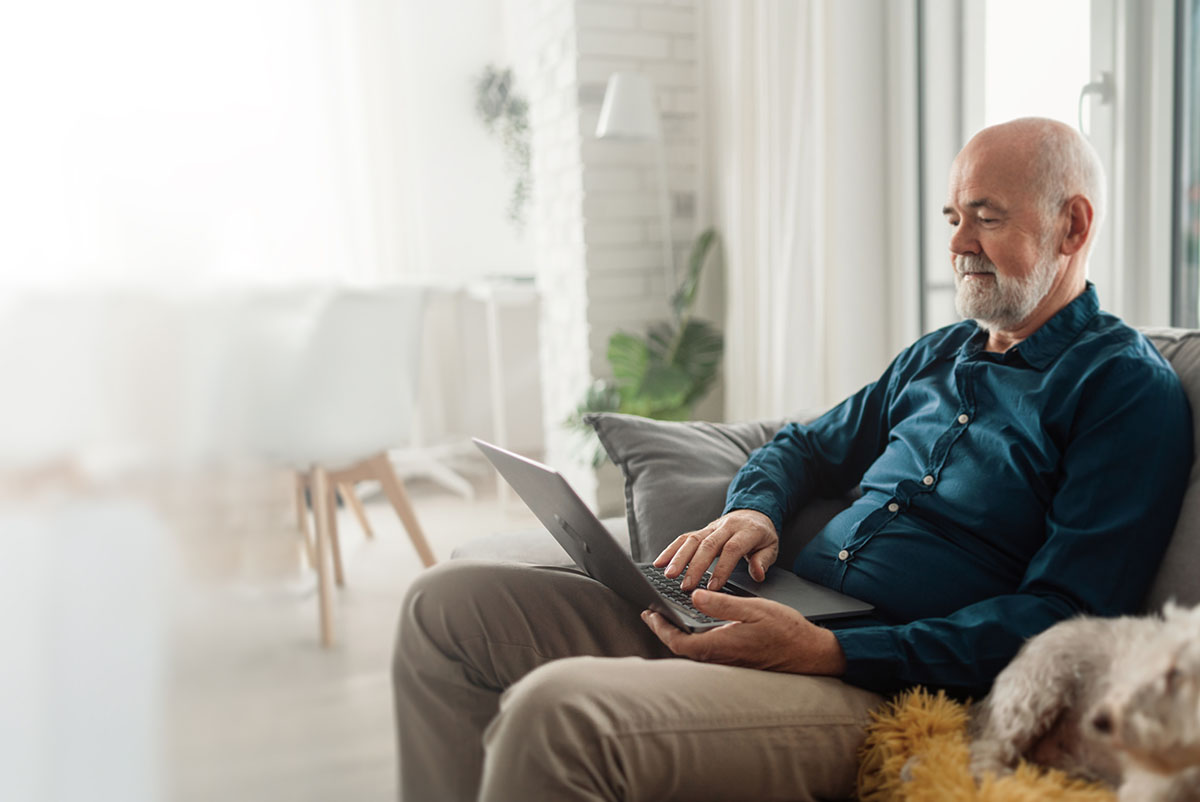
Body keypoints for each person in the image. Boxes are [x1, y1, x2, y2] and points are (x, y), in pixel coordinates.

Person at [392, 117, 1193, 801]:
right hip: (778, 607)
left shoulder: (1122, 390)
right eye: (953, 215)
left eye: (985, 217)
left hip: (874, 681)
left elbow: (1065, 617)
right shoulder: (938, 355)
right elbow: (806, 446)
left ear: (1073, 226)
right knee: (446, 607)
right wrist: (754, 508)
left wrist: (828, 650)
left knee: (558, 715)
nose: (957, 244)